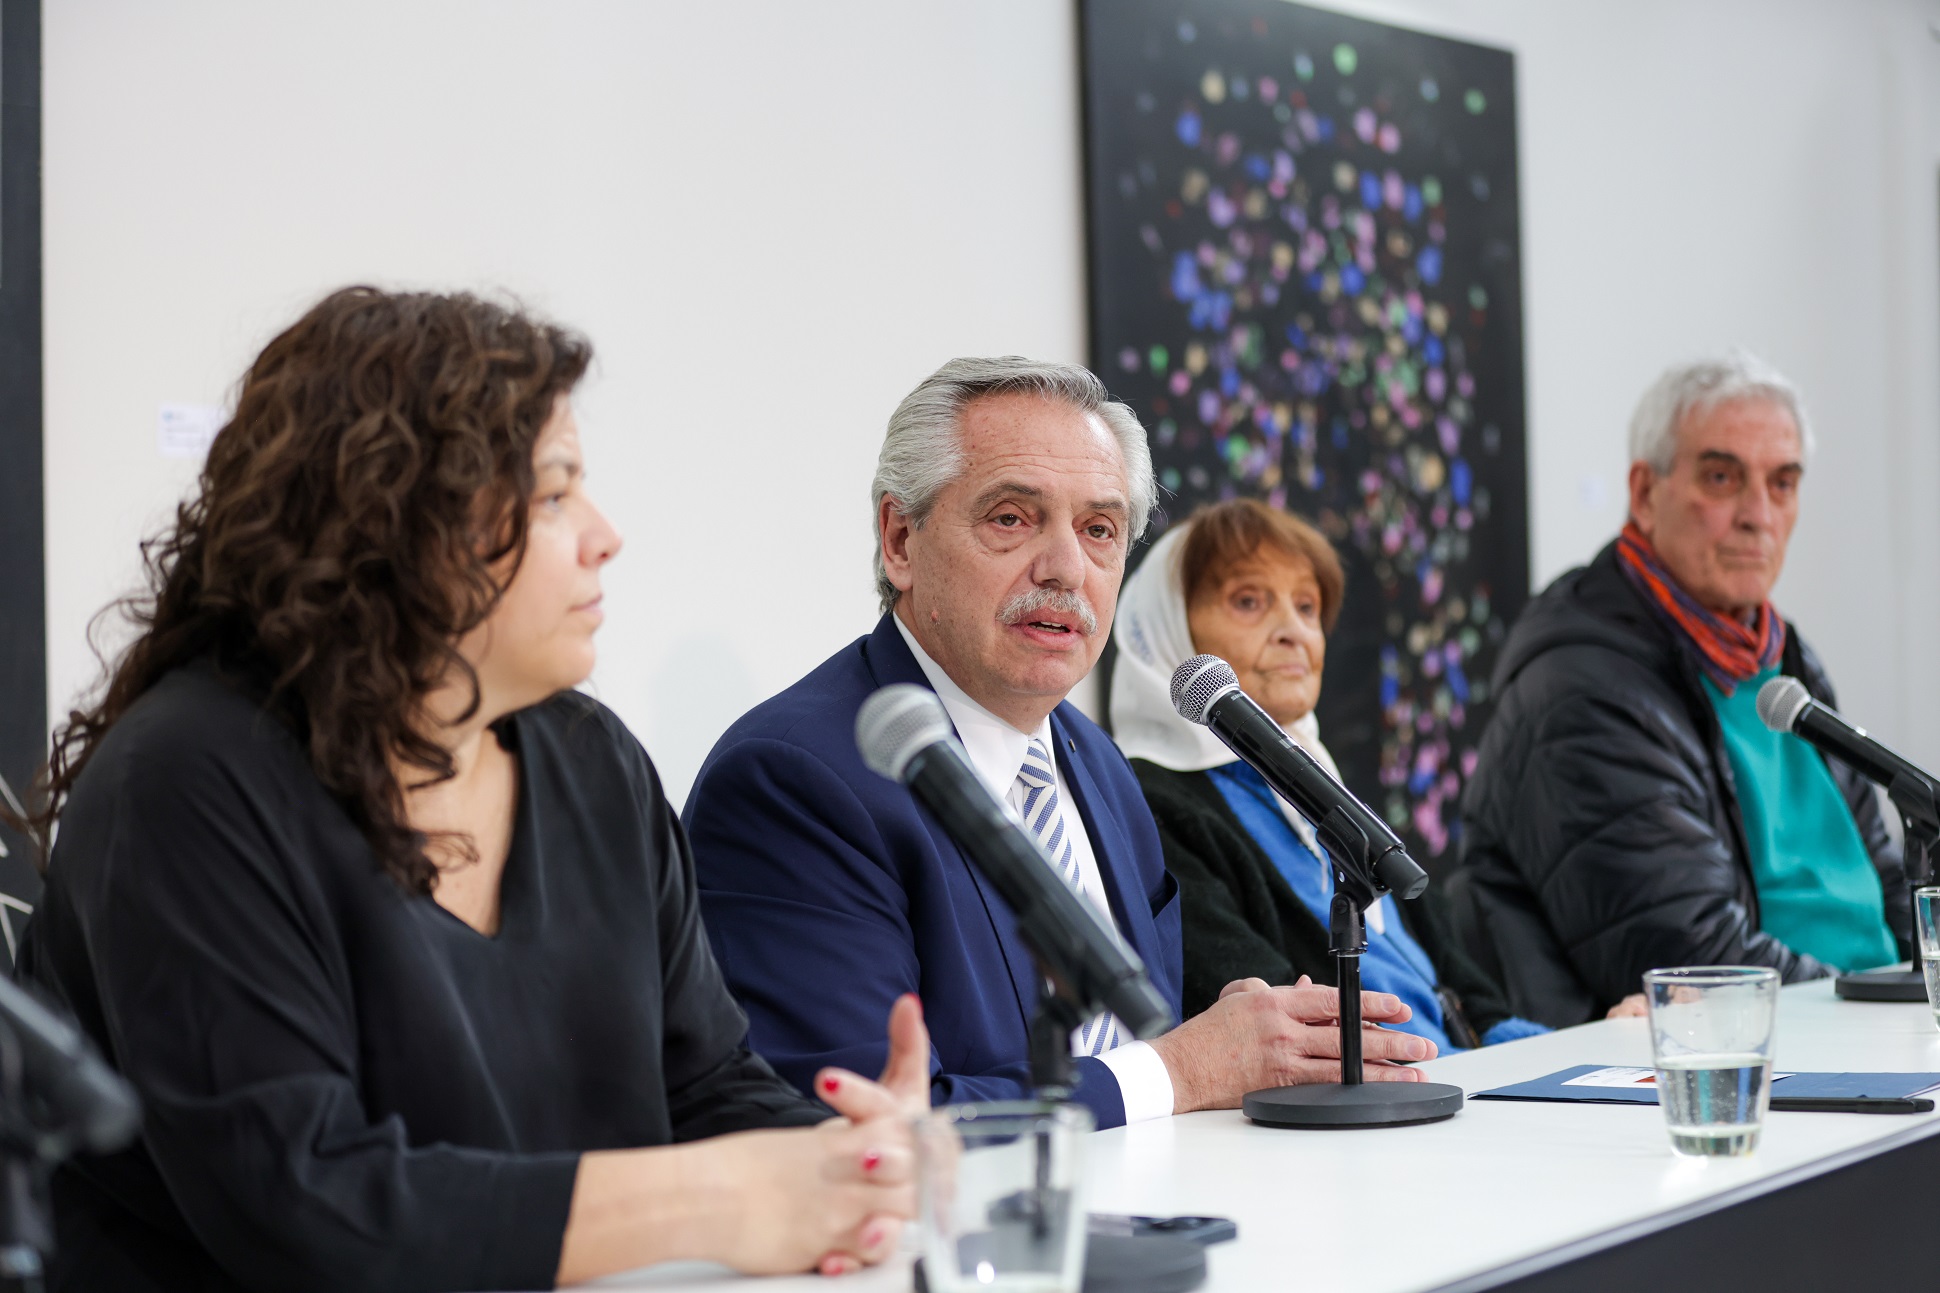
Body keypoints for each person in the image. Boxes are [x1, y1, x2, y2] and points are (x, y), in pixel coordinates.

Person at [8, 288, 925, 1292]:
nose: (604, 534)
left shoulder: (591, 760)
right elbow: (310, 1207)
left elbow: (703, 1087)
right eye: (553, 495)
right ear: (397, 521)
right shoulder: (184, 784)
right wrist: (715, 1197)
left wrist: (851, 1166)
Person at [684, 357, 1435, 1134]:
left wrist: (1218, 1043)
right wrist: (1183, 1065)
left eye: (1099, 530)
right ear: (901, 539)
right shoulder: (793, 779)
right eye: (1011, 517)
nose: (1066, 568)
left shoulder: (1101, 769)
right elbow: (852, 1128)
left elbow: (1134, 1059)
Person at [1453, 353, 1909, 1027]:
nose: (1759, 515)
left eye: (1782, 483)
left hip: (1862, 1027)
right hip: (1747, 1062)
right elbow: (1696, 958)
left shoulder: (1784, 655)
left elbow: (1883, 875)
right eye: (1722, 477)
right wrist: (1893, 1011)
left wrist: (1919, 983)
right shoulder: (1581, 688)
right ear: (1644, 492)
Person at [1110, 498, 1575, 1048]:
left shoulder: (1319, 780)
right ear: (1167, 630)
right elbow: (1275, 1031)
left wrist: (1574, 1050)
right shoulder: (1148, 804)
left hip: (1456, 1081)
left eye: (1307, 608)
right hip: (1368, 1103)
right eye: (1249, 601)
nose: (1294, 632)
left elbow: (1472, 997)